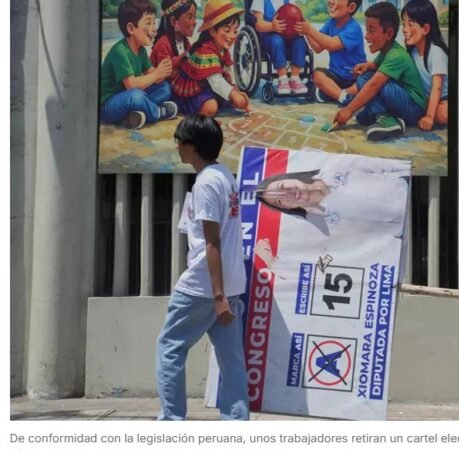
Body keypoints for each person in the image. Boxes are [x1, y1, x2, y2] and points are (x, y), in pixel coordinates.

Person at [155, 114, 249, 421]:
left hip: (203, 286)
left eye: (180, 142)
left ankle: (171, 422)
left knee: (169, 348)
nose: (178, 148)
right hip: (229, 283)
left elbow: (212, 243)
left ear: (193, 147)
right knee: (231, 359)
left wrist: (218, 297)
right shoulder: (223, 175)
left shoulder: (207, 183)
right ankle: (236, 422)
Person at [332, 2, 427, 141]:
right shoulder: (387, 49)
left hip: (413, 108)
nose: (366, 36)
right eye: (366, 30)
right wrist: (366, 66)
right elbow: (376, 65)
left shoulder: (396, 55)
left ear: (388, 33)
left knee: (376, 84)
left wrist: (348, 110)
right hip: (400, 99)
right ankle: (379, 114)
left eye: (372, 31)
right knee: (364, 78)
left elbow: (374, 85)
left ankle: (389, 121)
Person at [255, 155, 409, 235]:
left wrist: (410, 172)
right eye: (280, 201)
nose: (287, 195)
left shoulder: (335, 166)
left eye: (282, 187)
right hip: (403, 231)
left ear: (289, 178)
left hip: (407, 191)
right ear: (287, 209)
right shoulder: (318, 223)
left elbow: (383, 165)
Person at [100, 0, 178, 129]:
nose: (153, 28)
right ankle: (157, 112)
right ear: (131, 28)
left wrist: (163, 71)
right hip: (109, 105)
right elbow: (131, 85)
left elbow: (151, 73)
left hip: (129, 96)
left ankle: (137, 113)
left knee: (164, 87)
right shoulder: (120, 51)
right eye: (148, 23)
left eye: (154, 23)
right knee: (137, 95)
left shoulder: (140, 49)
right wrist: (157, 74)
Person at [171, 0, 250, 117]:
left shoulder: (223, 49)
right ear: (212, 31)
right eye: (227, 30)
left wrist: (235, 91)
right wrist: (233, 94)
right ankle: (187, 107)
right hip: (195, 90)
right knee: (211, 108)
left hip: (209, 88)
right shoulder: (205, 51)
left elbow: (228, 72)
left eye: (235, 31)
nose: (231, 36)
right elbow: (215, 81)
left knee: (242, 98)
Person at [294, 0, 366, 104]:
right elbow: (318, 47)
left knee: (364, 82)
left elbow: (331, 44)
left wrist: (309, 30)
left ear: (351, 7)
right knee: (317, 74)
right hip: (335, 76)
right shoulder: (331, 22)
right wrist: (305, 29)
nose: (331, 2)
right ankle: (343, 97)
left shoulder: (354, 28)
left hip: (354, 78)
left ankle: (334, 94)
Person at [401, 0, 448, 130]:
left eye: (410, 24)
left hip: (443, 100)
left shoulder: (436, 53)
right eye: (404, 24)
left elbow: (437, 88)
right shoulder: (414, 52)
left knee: (444, 114)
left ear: (425, 28)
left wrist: (429, 117)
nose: (405, 30)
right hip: (424, 99)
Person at [251, 0, 309, 95]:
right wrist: (272, 26)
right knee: (277, 40)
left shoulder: (290, 1)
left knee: (300, 40)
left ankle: (295, 78)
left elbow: (299, 17)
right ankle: (283, 79)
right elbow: (258, 25)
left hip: (289, 37)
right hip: (269, 37)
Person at [150, 0, 197, 71]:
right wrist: (187, 54)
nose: (195, 22)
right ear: (174, 21)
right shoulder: (163, 44)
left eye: (195, 17)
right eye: (190, 17)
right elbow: (167, 72)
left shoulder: (185, 42)